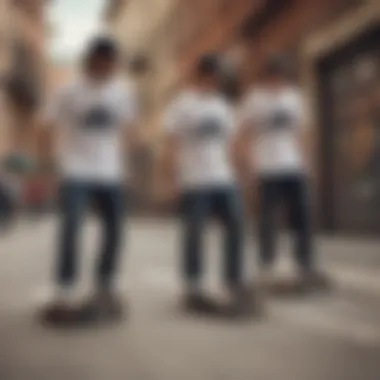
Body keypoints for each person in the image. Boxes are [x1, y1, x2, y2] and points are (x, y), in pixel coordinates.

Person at [39, 36, 138, 324]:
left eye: (111, 64)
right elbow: (45, 127)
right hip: (75, 170)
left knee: (115, 230)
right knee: (71, 229)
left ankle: (105, 285)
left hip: (111, 172)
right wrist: (48, 166)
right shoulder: (68, 91)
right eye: (102, 62)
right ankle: (65, 289)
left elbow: (128, 130)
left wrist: (129, 166)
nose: (107, 68)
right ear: (91, 61)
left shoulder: (122, 92)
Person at [162, 54, 255, 317]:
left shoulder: (223, 106)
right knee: (195, 233)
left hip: (223, 178)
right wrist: (171, 180)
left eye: (217, 78)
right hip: (194, 180)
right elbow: (170, 144)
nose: (214, 82)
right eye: (210, 76)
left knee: (236, 225)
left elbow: (232, 144)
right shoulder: (182, 104)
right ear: (200, 76)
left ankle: (233, 280)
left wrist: (243, 173)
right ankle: (193, 286)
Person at [239, 54, 326, 290]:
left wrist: (307, 163)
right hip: (267, 167)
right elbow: (245, 135)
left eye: (280, 77)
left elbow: (301, 132)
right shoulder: (254, 99)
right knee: (268, 218)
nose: (276, 81)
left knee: (303, 216)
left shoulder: (294, 98)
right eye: (272, 77)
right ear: (266, 76)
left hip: (293, 166)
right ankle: (268, 263)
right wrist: (250, 167)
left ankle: (305, 264)